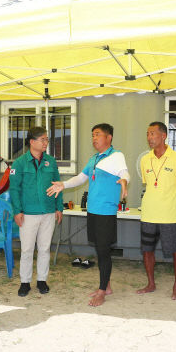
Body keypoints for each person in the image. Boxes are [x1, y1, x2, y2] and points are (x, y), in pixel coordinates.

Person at [47, 123, 129, 307]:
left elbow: (124, 172)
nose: (94, 138)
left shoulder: (116, 156)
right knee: (100, 251)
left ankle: (102, 292)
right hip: (92, 210)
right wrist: (63, 185)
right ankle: (106, 286)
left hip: (105, 212)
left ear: (109, 138)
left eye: (98, 135)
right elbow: (81, 178)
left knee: (104, 251)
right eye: (92, 135)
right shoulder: (94, 158)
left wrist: (124, 181)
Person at [9, 126, 63, 297]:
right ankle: (25, 282)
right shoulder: (19, 163)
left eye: (47, 139)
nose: (46, 142)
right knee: (26, 250)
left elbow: (58, 185)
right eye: (43, 139)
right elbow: (14, 189)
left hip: (48, 212)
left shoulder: (51, 162)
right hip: (28, 214)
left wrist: (59, 207)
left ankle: (42, 280)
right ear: (32, 142)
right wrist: (17, 211)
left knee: (45, 248)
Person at [137, 121, 176, 300]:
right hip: (149, 213)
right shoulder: (145, 159)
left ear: (163, 135)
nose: (149, 137)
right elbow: (149, 185)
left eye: (153, 133)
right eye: (148, 134)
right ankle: (151, 284)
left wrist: (170, 202)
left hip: (170, 215)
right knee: (147, 249)